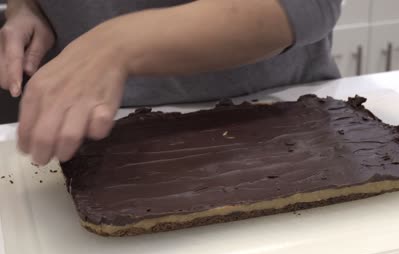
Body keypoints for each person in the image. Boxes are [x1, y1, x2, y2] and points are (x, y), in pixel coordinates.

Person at [0, 0, 342, 165]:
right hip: (76, 128)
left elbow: (308, 5)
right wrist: (25, 6)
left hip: (272, 125)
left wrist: (115, 44)